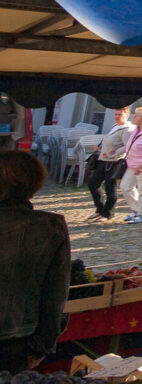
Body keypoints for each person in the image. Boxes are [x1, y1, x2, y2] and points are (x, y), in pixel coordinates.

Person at [0, 152, 70, 372]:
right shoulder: (50, 226)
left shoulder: (49, 227)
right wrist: (41, 347)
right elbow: (55, 294)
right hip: (16, 342)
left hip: (15, 339)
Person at [85, 107, 133, 222]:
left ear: (127, 115)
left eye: (120, 114)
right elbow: (108, 140)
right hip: (104, 160)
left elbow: (128, 146)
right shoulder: (115, 126)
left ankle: (108, 213)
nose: (117, 116)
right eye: (116, 114)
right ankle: (100, 209)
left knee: (110, 188)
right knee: (93, 183)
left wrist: (115, 152)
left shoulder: (127, 129)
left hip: (115, 162)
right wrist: (100, 147)